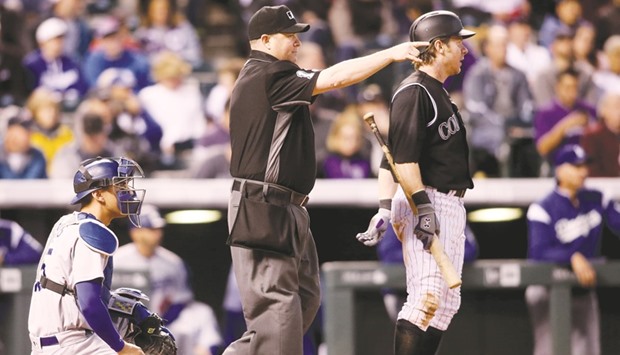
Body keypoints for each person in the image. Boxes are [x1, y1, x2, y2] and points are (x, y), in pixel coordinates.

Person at [225, 5, 426, 355]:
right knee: (278, 313)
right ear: (265, 40)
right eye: (289, 36)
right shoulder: (266, 73)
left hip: (287, 206)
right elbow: (335, 78)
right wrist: (391, 54)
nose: (296, 42)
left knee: (304, 300)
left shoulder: (274, 72)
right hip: (262, 205)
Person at [355, 10, 475, 355]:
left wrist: (382, 206)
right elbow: (404, 162)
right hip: (429, 198)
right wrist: (421, 206)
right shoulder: (415, 92)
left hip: (444, 201)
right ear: (437, 46)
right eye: (457, 42)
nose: (464, 50)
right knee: (426, 297)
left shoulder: (435, 92)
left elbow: (390, 155)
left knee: (446, 304)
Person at [28, 156, 147, 354]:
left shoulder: (65, 223)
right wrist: (121, 347)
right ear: (99, 194)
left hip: (52, 344)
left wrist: (131, 310)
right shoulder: (92, 232)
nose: (129, 191)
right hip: (73, 346)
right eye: (120, 185)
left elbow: (77, 293)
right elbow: (90, 304)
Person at [525, 144, 620, 355]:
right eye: (576, 166)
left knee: (588, 351)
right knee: (549, 350)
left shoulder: (597, 198)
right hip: (547, 290)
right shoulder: (542, 207)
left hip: (582, 289)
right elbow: (538, 253)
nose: (583, 171)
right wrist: (572, 256)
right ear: (559, 170)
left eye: (585, 165)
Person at [115, 204, 223, 355]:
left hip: (163, 321)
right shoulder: (116, 260)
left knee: (202, 314)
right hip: (123, 325)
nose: (157, 234)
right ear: (135, 232)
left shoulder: (172, 262)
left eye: (158, 229)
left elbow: (182, 300)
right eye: (151, 229)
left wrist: (159, 324)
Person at [581, 91, 620, 177]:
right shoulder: (592, 135)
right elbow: (591, 168)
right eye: (617, 107)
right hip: (603, 184)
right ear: (603, 111)